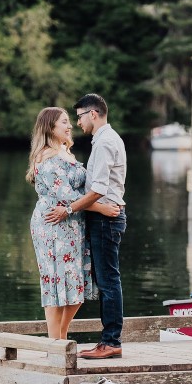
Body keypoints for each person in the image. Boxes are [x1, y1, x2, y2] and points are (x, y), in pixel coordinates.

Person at [45, 93, 126, 359]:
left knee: (108, 281)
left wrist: (68, 209)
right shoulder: (106, 139)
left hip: (106, 218)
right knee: (107, 279)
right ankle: (109, 340)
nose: (77, 123)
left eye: (79, 116)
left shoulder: (104, 144)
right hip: (104, 216)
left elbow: (98, 190)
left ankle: (111, 341)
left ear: (93, 114)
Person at [28, 107, 118, 340]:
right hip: (53, 225)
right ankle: (54, 342)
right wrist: (102, 208)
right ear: (50, 128)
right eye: (64, 122)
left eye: (70, 121)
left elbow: (82, 189)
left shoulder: (66, 152)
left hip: (73, 224)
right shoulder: (46, 158)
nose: (70, 126)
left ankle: (61, 335)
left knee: (75, 284)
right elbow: (67, 194)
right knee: (55, 282)